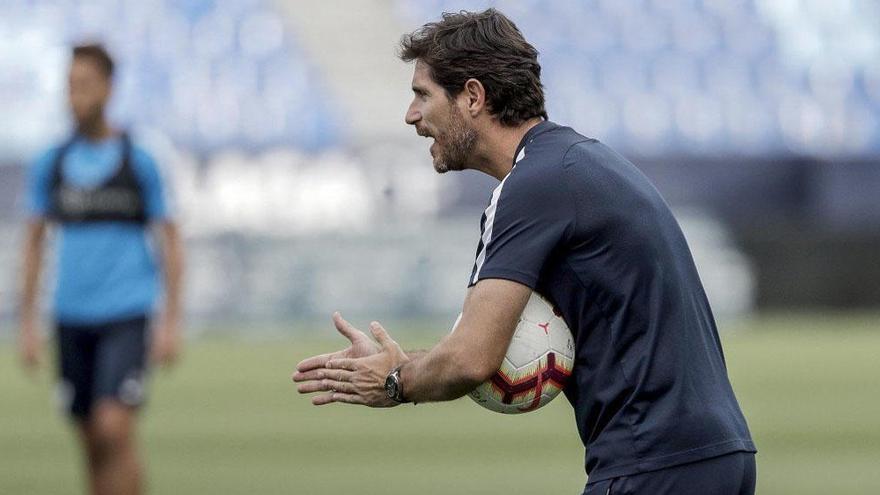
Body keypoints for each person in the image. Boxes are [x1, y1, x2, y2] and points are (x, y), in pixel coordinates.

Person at [293, 9, 756, 495]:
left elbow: (473, 357)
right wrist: (405, 360)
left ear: (472, 96)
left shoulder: (531, 186)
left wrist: (395, 381)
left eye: (422, 94)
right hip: (709, 455)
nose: (412, 115)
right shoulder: (579, 163)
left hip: (654, 463)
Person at [17, 43, 184, 495]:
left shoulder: (140, 159)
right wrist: (27, 323)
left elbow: (170, 241)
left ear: (109, 89)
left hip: (125, 314)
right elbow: (33, 244)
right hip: (70, 315)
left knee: (114, 428)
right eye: (70, 87)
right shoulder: (52, 163)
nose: (75, 97)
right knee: (89, 439)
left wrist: (170, 321)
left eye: (85, 86)